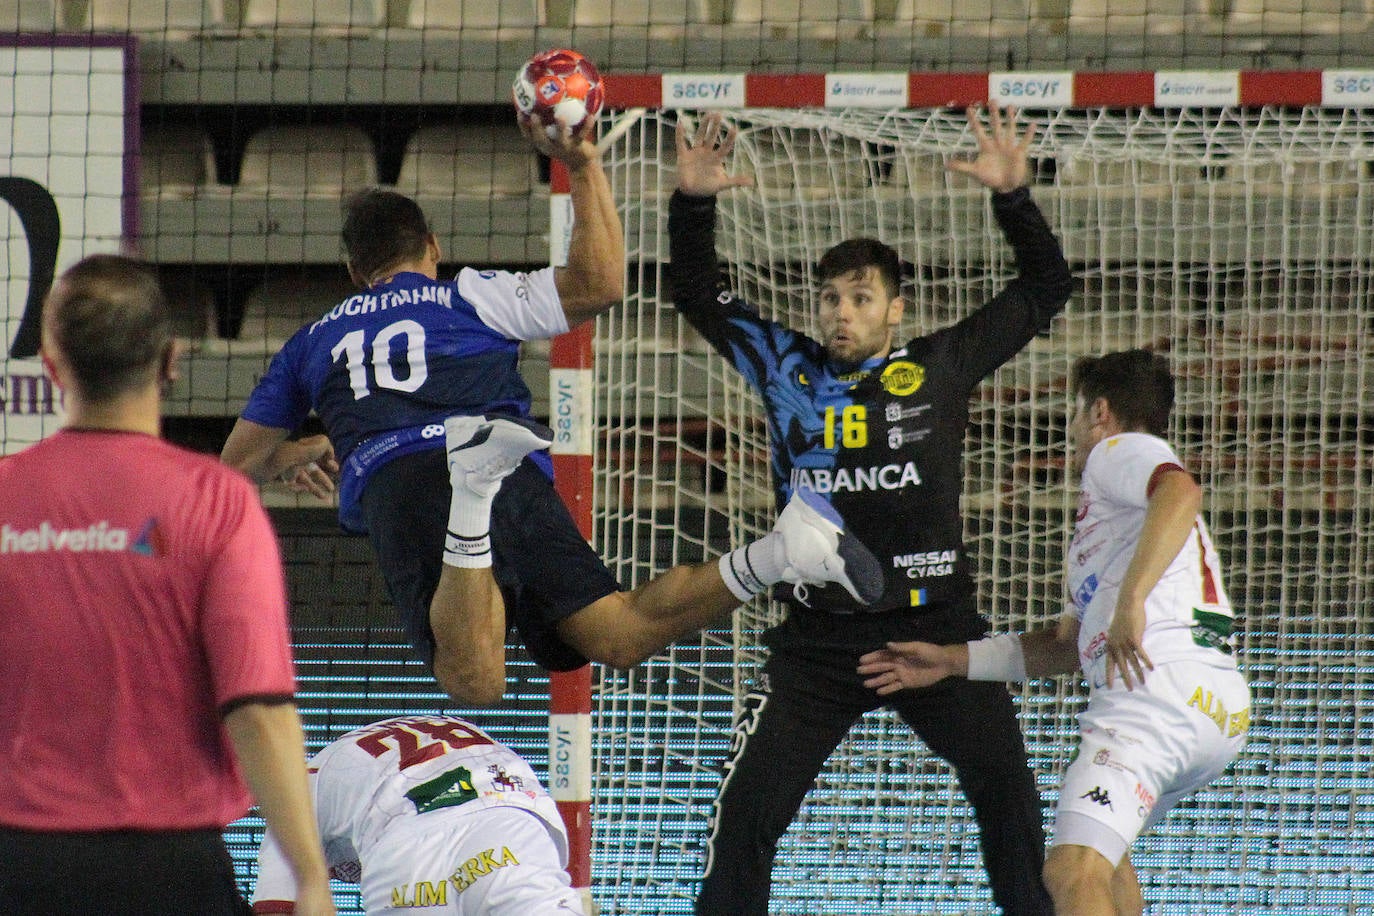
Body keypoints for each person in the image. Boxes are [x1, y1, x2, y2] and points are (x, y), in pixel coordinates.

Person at [221, 115, 883, 708]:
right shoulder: (471, 295)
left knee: (475, 683)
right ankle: (783, 551)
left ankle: (472, 493)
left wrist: (302, 449)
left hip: (404, 482)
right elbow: (601, 284)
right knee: (617, 636)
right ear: (431, 245)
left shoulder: (312, 341)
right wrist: (585, 161)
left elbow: (236, 468)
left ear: (352, 268)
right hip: (511, 466)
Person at [668, 105, 1072, 915]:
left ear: (895, 309)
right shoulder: (785, 364)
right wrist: (693, 202)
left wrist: (1014, 197)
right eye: (829, 298)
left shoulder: (938, 366)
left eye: (860, 297)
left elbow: (1044, 288)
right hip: (818, 643)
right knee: (744, 817)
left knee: (1011, 806)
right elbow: (698, 294)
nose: (840, 312)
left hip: (937, 633)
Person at [859, 349, 1251, 916]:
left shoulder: (1118, 452)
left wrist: (1133, 601)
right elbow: (1065, 648)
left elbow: (1182, 492)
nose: (1070, 433)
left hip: (1153, 694)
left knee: (1069, 871)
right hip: (1213, 712)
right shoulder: (1107, 529)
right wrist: (950, 660)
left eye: (1072, 416)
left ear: (1099, 412)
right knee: (1105, 863)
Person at [0, 254, 334, 916]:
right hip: (168, 870)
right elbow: (258, 708)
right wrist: (311, 876)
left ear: (51, 365)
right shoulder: (215, 502)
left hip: (17, 862)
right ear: (171, 360)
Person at [251, 714, 588, 915]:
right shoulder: (442, 724)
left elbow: (276, 907)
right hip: (508, 823)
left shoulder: (294, 793)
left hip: (407, 846)